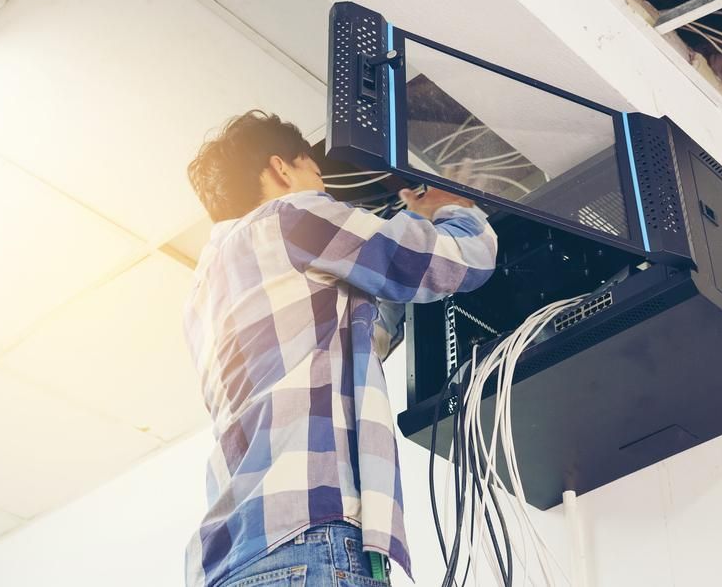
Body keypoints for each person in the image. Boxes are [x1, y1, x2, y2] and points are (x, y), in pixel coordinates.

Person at [183, 110, 498, 587]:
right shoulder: (291, 217)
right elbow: (456, 260)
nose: (323, 190)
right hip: (310, 536)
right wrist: (455, 208)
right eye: (316, 173)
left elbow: (356, 334)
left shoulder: (202, 294)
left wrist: (412, 219)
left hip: (233, 562)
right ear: (281, 169)